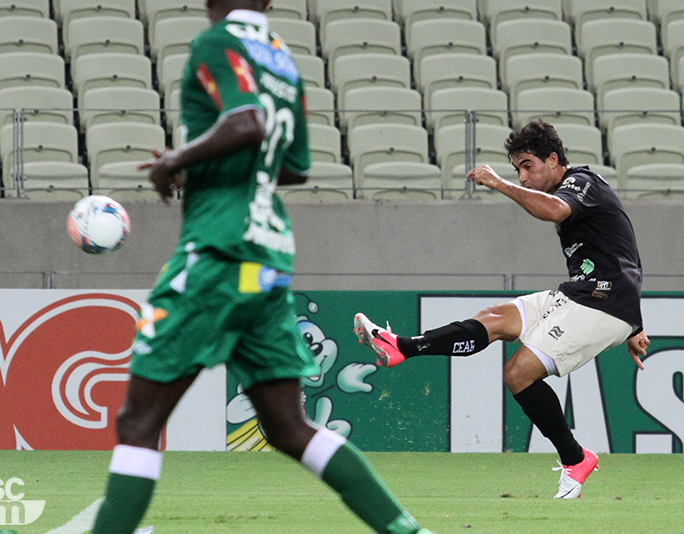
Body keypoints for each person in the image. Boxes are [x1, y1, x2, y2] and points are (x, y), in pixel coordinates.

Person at [91, 2, 435, 533]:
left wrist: (175, 161)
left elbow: (246, 122)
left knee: (138, 422)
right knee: (287, 427)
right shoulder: (280, 57)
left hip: (218, 254)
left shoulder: (215, 43)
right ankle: (405, 529)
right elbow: (294, 166)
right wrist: (210, 164)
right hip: (268, 257)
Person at [354, 120, 651, 499]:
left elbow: (555, 211)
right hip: (585, 294)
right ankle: (401, 347)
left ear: (554, 160)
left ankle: (575, 459)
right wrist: (635, 324)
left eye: (528, 166)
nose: (523, 177)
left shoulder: (581, 183)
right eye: (517, 170)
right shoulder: (582, 192)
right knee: (494, 319)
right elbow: (625, 247)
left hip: (604, 302)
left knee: (518, 374)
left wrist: (498, 182)